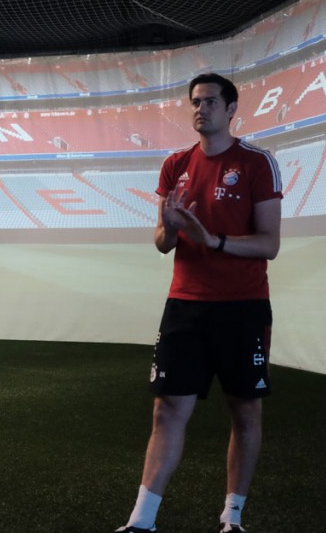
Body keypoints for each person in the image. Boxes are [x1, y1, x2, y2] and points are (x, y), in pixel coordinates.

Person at [116, 73, 283, 533]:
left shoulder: (258, 163)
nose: (200, 108)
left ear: (231, 109)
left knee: (245, 411)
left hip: (243, 306)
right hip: (185, 305)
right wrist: (169, 228)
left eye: (210, 101)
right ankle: (141, 522)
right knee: (166, 410)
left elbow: (270, 244)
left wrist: (212, 239)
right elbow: (161, 242)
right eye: (195, 101)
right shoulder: (175, 164)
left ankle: (233, 518)